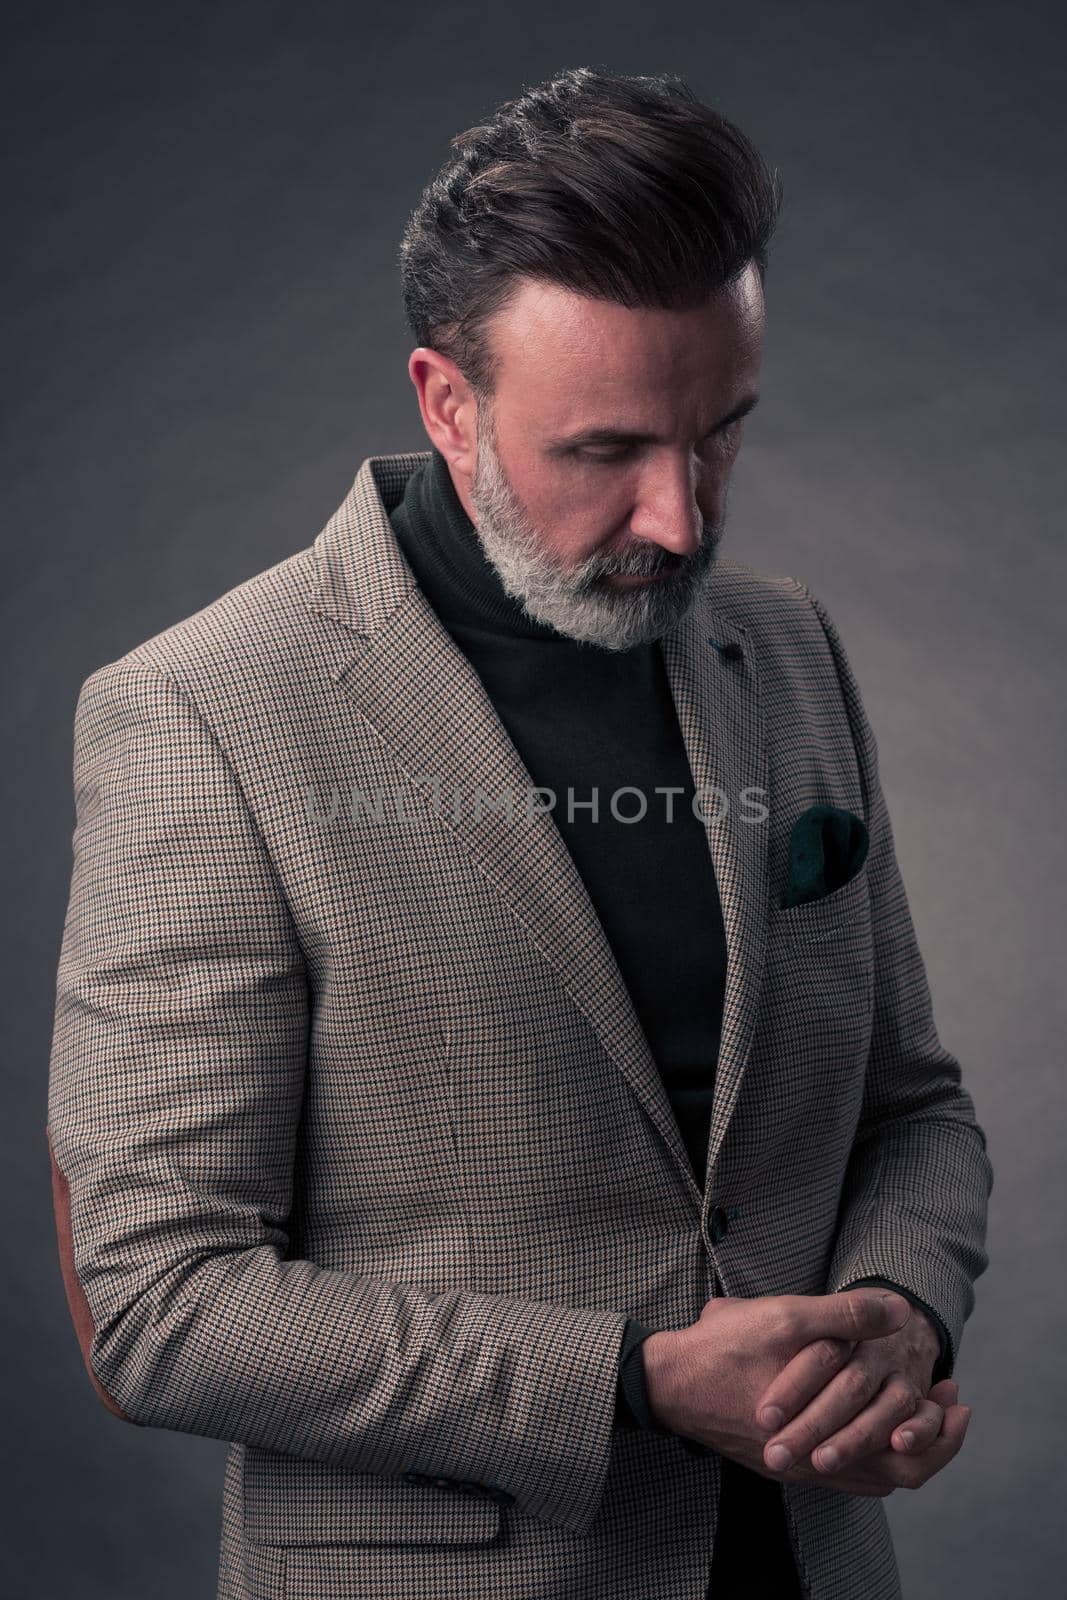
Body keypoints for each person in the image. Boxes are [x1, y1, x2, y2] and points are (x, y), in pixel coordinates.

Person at [46, 66, 992, 1600]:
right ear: (447, 404)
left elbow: (917, 1114)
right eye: (606, 451)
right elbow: (161, 1301)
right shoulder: (205, 714)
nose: (682, 519)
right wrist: (629, 1377)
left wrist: (896, 1317)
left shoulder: (791, 644)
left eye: (721, 434)